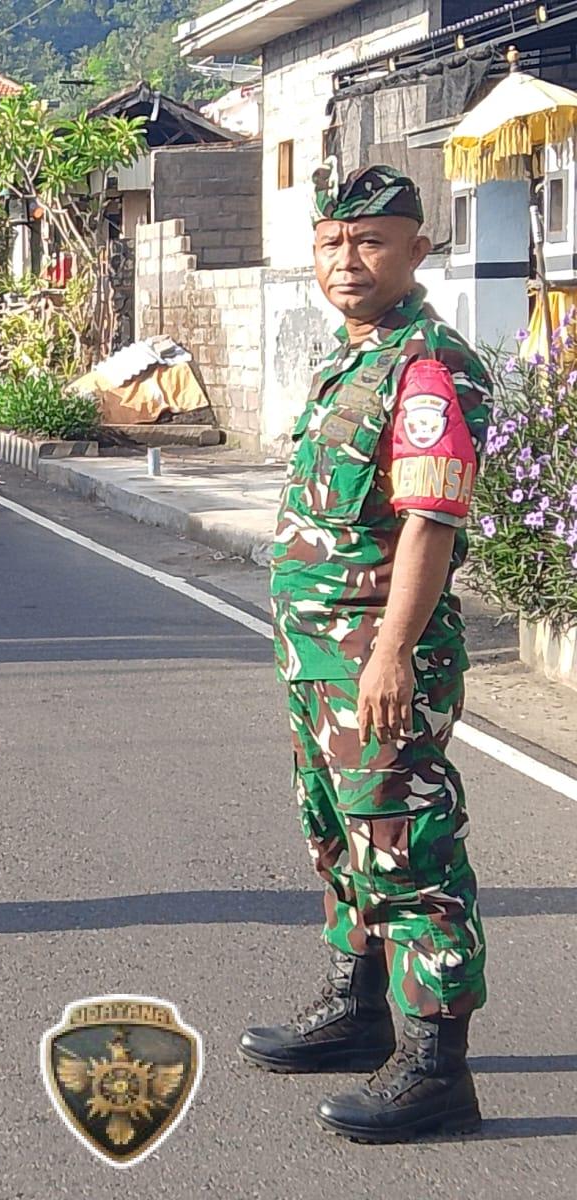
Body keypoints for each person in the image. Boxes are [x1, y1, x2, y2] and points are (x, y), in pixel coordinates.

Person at [236, 166, 490, 1143]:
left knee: (407, 851)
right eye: (332, 241)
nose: (348, 258)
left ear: (417, 252)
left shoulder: (426, 366)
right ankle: (357, 1010)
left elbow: (428, 521)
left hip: (377, 659)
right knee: (339, 839)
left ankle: (434, 1066)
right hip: (319, 662)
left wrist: (390, 655)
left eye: (372, 240)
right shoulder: (354, 356)